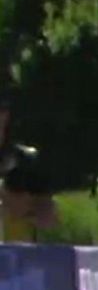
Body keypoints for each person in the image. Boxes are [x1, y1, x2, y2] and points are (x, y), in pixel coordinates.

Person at [0, 95, 58, 243]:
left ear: (5, 117)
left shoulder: (25, 160)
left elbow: (49, 220)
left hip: (15, 257)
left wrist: (24, 210)